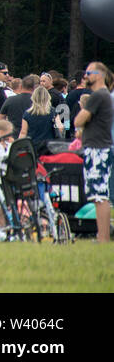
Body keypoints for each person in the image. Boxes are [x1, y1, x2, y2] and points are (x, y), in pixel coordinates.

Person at [73, 61, 111, 244]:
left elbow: (78, 120)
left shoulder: (98, 95)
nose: (86, 76)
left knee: (99, 195)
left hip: (97, 148)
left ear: (99, 74)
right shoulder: (105, 95)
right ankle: (101, 235)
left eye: (89, 72)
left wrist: (82, 119)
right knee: (99, 195)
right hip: (99, 146)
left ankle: (102, 237)